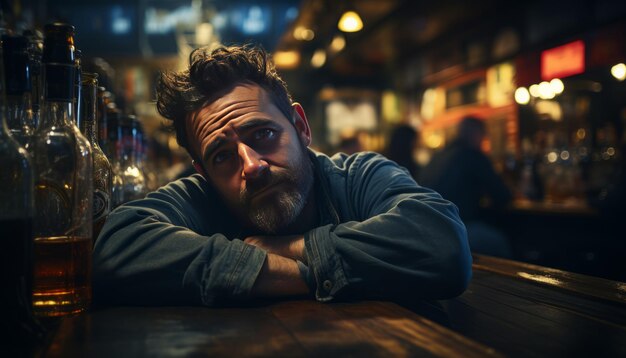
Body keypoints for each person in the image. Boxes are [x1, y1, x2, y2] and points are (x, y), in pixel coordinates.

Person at [93, 44, 472, 307]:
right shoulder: (202, 196)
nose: (252, 165)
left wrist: (286, 247)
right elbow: (114, 249)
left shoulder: (357, 176)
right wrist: (295, 275)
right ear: (203, 173)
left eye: (264, 134)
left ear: (300, 127)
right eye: (222, 156)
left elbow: (442, 244)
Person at [419, 116, 513, 258]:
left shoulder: (438, 156)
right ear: (476, 134)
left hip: (426, 230)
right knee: (501, 243)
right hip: (457, 229)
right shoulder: (472, 155)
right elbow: (502, 195)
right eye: (483, 136)